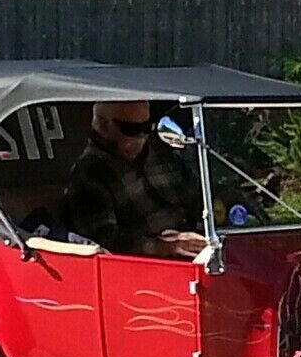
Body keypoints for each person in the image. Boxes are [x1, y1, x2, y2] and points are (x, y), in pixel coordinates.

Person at [63, 101, 208, 258]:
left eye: (147, 128)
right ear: (102, 125)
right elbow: (103, 243)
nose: (141, 138)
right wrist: (165, 247)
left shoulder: (161, 153)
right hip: (150, 267)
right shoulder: (88, 173)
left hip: (203, 248)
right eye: (131, 130)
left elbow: (197, 196)